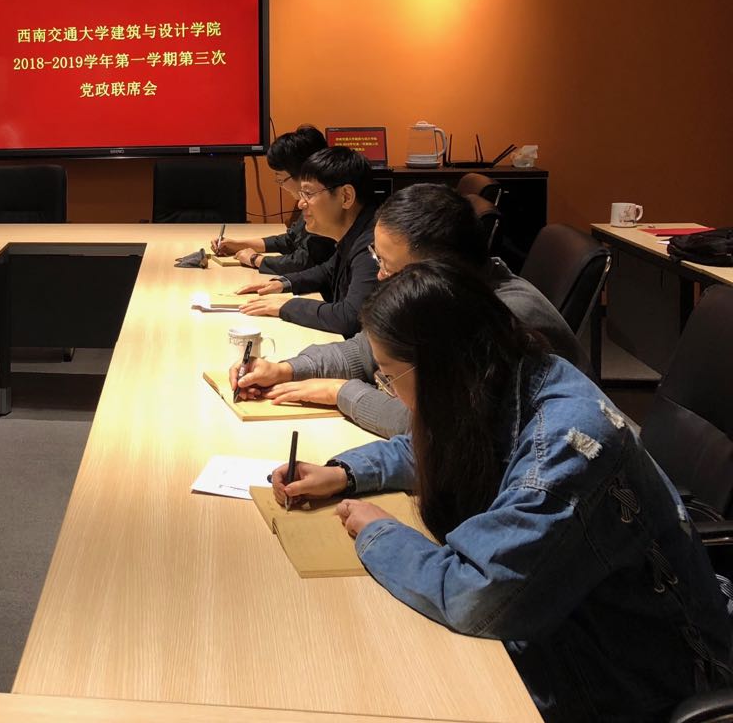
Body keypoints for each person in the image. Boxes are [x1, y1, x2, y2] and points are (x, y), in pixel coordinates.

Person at [271, 259, 732, 721]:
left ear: (441, 368)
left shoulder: (566, 444)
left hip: (634, 674)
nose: (389, 391)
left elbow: (475, 596)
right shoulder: (508, 372)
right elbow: (456, 445)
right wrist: (347, 473)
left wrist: (380, 534)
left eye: (390, 376)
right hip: (569, 629)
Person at [230, 184, 584, 437]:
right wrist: (286, 369)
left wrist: (339, 392)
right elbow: (366, 348)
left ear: (439, 270)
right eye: (377, 259)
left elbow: (430, 430)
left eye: (389, 265)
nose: (380, 276)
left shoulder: (500, 321)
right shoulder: (450, 295)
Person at [234, 147, 378, 336]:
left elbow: (350, 318)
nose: (301, 203)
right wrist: (283, 283)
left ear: (346, 197)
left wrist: (288, 305)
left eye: (308, 194)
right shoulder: (355, 233)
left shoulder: (373, 245)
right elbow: (327, 271)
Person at [209, 125, 334, 275]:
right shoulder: (311, 201)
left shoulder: (326, 206)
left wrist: (255, 259)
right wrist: (238, 244)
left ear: (304, 173)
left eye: (280, 179)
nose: (301, 203)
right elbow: (291, 240)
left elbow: (304, 261)